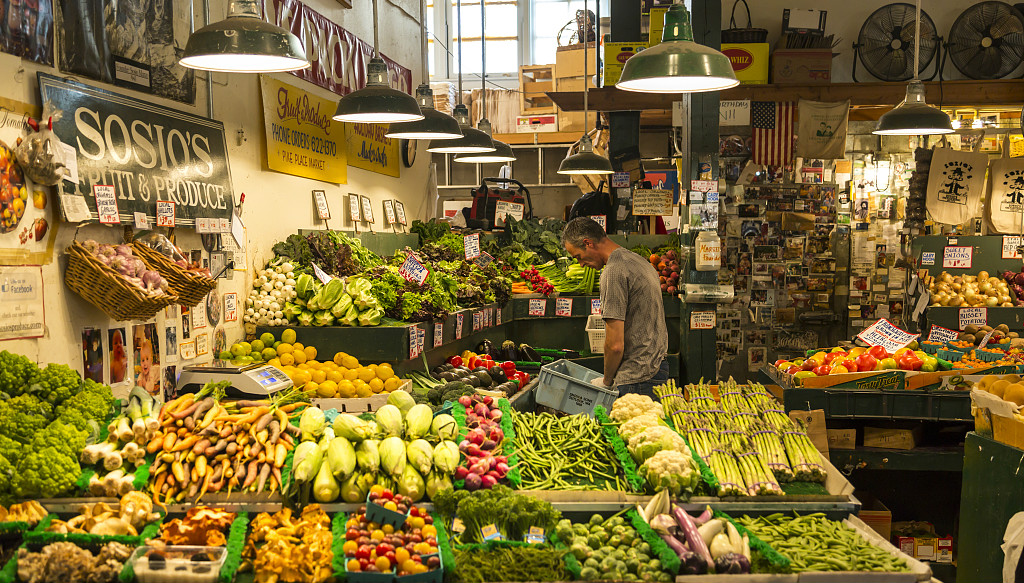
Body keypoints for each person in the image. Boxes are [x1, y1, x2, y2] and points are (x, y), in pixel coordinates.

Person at [562, 217, 669, 398]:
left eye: (578, 257)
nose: (580, 264)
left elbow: (615, 345)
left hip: (636, 377)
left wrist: (606, 381)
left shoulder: (613, 272)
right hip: (657, 366)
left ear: (588, 243)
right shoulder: (638, 261)